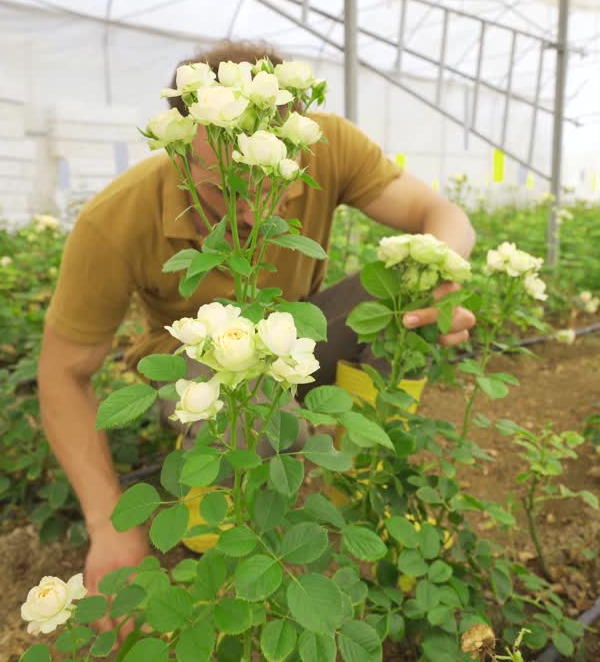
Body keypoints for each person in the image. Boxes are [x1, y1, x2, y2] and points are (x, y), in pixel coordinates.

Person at [37, 40, 477, 599]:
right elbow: (61, 372)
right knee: (262, 420)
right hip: (194, 360)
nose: (250, 210)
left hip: (290, 342)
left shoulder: (327, 141)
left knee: (399, 292)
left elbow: (440, 214)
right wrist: (107, 526)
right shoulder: (116, 217)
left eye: (270, 180)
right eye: (225, 186)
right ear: (181, 149)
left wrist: (438, 272)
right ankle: (216, 537)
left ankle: (362, 487)